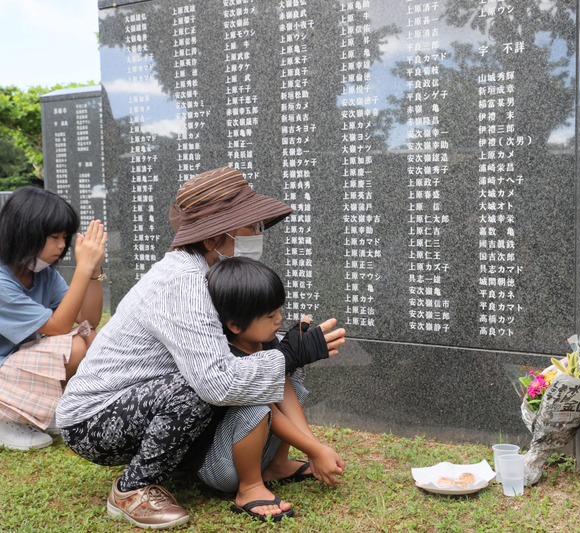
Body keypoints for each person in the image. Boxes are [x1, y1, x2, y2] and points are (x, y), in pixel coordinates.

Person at [57, 167, 346, 530]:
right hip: (93, 419)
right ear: (212, 239)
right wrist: (288, 355)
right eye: (249, 226)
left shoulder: (211, 273)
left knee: (263, 358)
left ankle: (267, 464)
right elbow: (215, 384)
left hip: (141, 404)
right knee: (201, 386)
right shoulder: (183, 281)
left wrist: (286, 356)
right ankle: (132, 489)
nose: (258, 234)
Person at [197, 257, 345, 522]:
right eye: (269, 315)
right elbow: (271, 414)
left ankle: (276, 466)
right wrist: (315, 451)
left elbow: (283, 391)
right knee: (255, 405)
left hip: (247, 454)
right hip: (219, 468)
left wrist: (314, 447)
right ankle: (250, 487)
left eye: (278, 310)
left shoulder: (264, 343)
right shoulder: (226, 357)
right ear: (234, 325)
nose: (279, 318)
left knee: (292, 387)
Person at [0, 187, 106, 450]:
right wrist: (82, 267)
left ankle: (36, 411)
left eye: (65, 237)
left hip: (13, 365)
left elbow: (88, 320)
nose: (62, 245)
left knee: (86, 336)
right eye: (54, 236)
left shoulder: (41, 272)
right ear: (25, 233)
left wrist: (94, 270)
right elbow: (58, 327)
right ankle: (6, 418)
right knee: (74, 344)